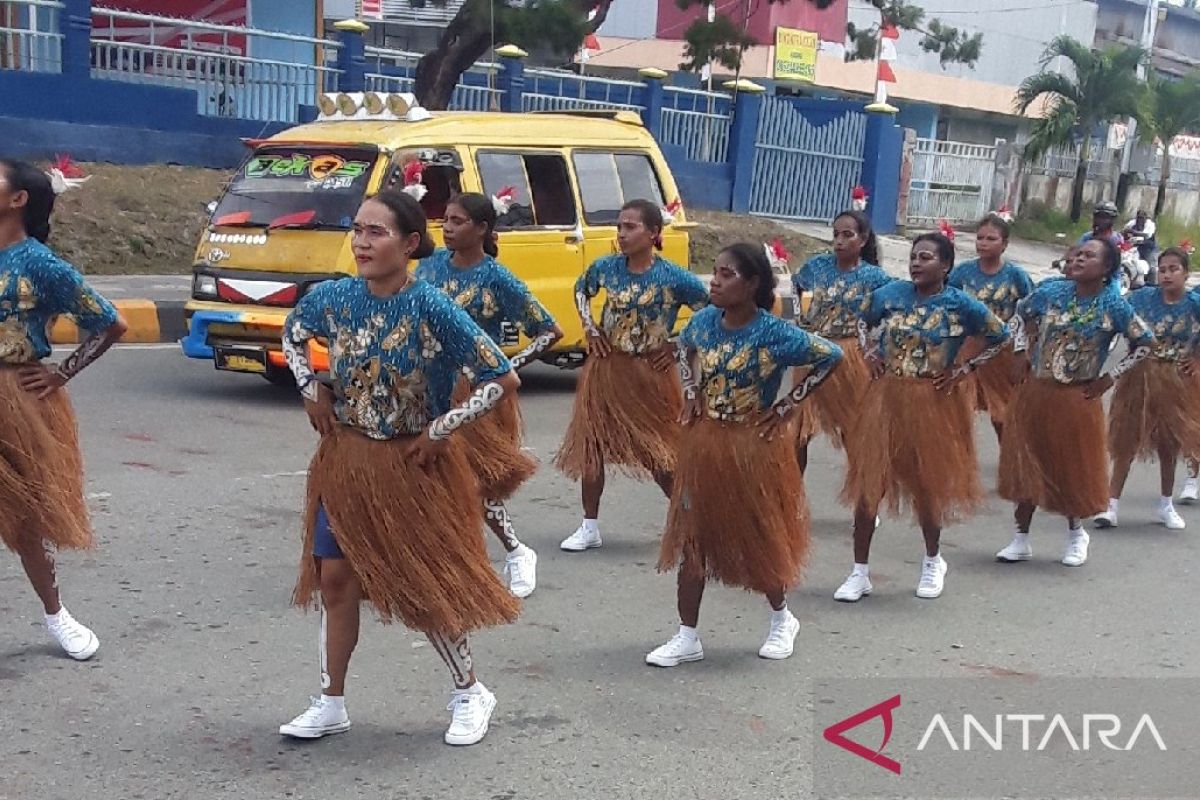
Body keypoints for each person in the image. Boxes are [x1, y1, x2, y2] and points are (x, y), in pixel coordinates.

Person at [279, 189, 521, 746]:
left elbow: (501, 380)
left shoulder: (431, 306)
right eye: (358, 230)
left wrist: (442, 428)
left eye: (377, 232)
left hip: (412, 467)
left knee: (425, 585)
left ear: (410, 244)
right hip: (346, 463)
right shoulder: (335, 297)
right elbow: (293, 333)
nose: (362, 242)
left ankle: (469, 692)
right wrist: (309, 388)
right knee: (335, 579)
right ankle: (330, 701)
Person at [648, 243, 842, 667]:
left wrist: (790, 403)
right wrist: (691, 391)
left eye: (727, 274)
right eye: (714, 272)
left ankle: (781, 618)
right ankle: (687, 635)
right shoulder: (702, 322)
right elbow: (684, 349)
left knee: (761, 534)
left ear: (752, 284)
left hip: (755, 446)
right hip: (706, 444)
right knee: (693, 537)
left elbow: (831, 356)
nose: (714, 280)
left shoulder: (774, 332)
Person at [0, 159, 128, 660]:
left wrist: (60, 374)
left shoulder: (39, 264)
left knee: (23, 517)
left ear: (18, 200)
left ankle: (57, 615)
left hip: (17, 401)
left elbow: (109, 323)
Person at [837, 233, 1009, 602]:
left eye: (926, 257)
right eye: (914, 257)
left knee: (926, 484)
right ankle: (859, 571)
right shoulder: (891, 295)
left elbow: (999, 335)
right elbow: (861, 319)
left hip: (932, 401)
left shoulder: (960, 304)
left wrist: (964, 367)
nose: (916, 263)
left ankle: (933, 560)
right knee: (869, 483)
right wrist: (868, 352)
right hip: (886, 396)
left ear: (945, 266)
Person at [415, 192, 563, 598]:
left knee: (475, 481)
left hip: (476, 395)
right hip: (430, 386)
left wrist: (505, 368)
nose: (447, 227)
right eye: (445, 219)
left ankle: (516, 551)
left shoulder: (497, 279)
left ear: (482, 229)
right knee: (428, 473)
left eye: (458, 221)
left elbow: (550, 332)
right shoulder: (427, 269)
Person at [555, 199, 708, 552]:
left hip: (651, 376)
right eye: (620, 226)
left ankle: (690, 525)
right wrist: (590, 327)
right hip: (607, 370)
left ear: (654, 233)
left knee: (661, 455)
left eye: (630, 227)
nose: (621, 233)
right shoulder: (606, 268)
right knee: (591, 447)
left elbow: (711, 313)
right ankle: (589, 526)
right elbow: (582, 289)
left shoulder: (673, 277)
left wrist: (679, 345)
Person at [996, 238, 1155, 568]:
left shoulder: (1114, 305)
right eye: (1077, 254)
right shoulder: (1050, 292)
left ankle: (1076, 533)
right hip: (1037, 390)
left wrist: (1111, 376)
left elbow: (1144, 344)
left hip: (1077, 396)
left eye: (1089, 256)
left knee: (1070, 467)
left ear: (1107, 267)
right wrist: (1021, 351)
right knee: (1027, 462)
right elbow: (1019, 314)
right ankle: (1020, 537)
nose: (1079, 259)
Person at [1095, 248, 1200, 530]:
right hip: (1138, 376)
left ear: (1186, 273)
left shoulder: (1194, 304)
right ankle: (1111, 503)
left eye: (1174, 269)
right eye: (1163, 269)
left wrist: (1197, 358)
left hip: (1177, 379)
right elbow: (1114, 322)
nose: (1167, 274)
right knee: (1126, 439)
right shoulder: (1140, 298)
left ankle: (1165, 503)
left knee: (1169, 443)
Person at [791, 210, 891, 473]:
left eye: (848, 235)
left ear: (863, 239)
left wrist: (873, 344)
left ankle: (864, 496)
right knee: (797, 433)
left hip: (850, 356)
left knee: (853, 429)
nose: (839, 241)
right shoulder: (816, 266)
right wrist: (800, 320)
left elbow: (890, 312)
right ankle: (793, 498)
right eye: (836, 234)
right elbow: (795, 285)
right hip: (813, 352)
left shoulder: (876, 278)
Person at [948, 212, 1035, 441]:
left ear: (1004, 244)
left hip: (1002, 350)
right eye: (980, 238)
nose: (983, 243)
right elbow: (947, 306)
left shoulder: (1016, 275)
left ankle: (1009, 460)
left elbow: (1030, 314)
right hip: (968, 350)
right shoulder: (962, 273)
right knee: (960, 410)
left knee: (1002, 414)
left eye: (991, 239)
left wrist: (1022, 352)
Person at [1123, 209, 1158, 285]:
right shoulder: (1132, 223)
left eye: (1142, 218)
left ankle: (1152, 285)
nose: (1140, 220)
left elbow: (1147, 235)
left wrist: (1133, 232)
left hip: (1149, 248)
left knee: (1151, 267)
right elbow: (1125, 230)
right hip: (1136, 247)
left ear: (1146, 218)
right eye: (1139, 217)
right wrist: (1126, 233)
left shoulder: (1150, 224)